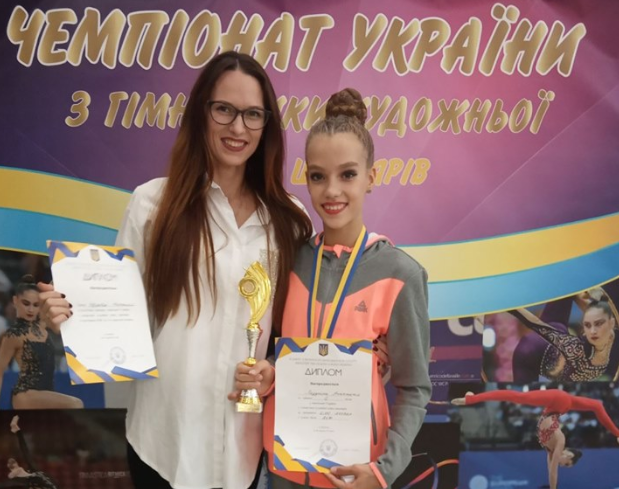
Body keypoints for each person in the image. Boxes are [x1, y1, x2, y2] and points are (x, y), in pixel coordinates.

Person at [38, 51, 313, 489]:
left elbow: (297, 332)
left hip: (244, 449)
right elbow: (122, 316)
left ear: (267, 125)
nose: (238, 127)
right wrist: (72, 317)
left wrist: (273, 369)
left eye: (252, 114)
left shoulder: (290, 220)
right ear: (201, 112)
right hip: (161, 442)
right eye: (224, 110)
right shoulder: (152, 205)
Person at [234, 88, 431, 488]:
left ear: (371, 177)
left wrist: (384, 470)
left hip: (355, 477)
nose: (331, 191)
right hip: (285, 472)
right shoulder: (286, 260)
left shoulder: (401, 273)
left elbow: (414, 389)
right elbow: (281, 351)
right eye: (318, 176)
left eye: (348, 174)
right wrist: (270, 374)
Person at [452, 388, 619, 489]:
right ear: (568, 455)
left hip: (560, 405)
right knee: (518, 397)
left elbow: (549, 469)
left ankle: (617, 433)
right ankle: (472, 399)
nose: (562, 465)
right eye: (567, 464)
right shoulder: (560, 442)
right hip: (558, 401)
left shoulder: (550, 451)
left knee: (596, 405)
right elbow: (553, 472)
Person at [0, 275, 82, 409]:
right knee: (75, 404)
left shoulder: (41, 324)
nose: (30, 310)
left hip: (45, 392)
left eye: (35, 305)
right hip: (26, 395)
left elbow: (52, 292)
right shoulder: (13, 335)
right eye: (26, 303)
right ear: (15, 301)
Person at [509, 295, 618, 382]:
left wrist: (580, 296)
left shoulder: (610, 334)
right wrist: (509, 306)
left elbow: (597, 314)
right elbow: (535, 323)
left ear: (611, 323)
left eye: (598, 324)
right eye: (587, 325)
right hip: (533, 349)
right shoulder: (573, 349)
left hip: (553, 332)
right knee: (567, 286)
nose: (593, 331)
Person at [0, 415, 58, 489]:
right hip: (34, 480)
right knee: (28, 461)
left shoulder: (31, 473)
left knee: (28, 458)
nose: (12, 463)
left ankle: (16, 430)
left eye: (13, 464)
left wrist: (18, 432)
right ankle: (17, 430)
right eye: (12, 465)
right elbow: (5, 484)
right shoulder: (23, 479)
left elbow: (25, 452)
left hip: (34, 478)